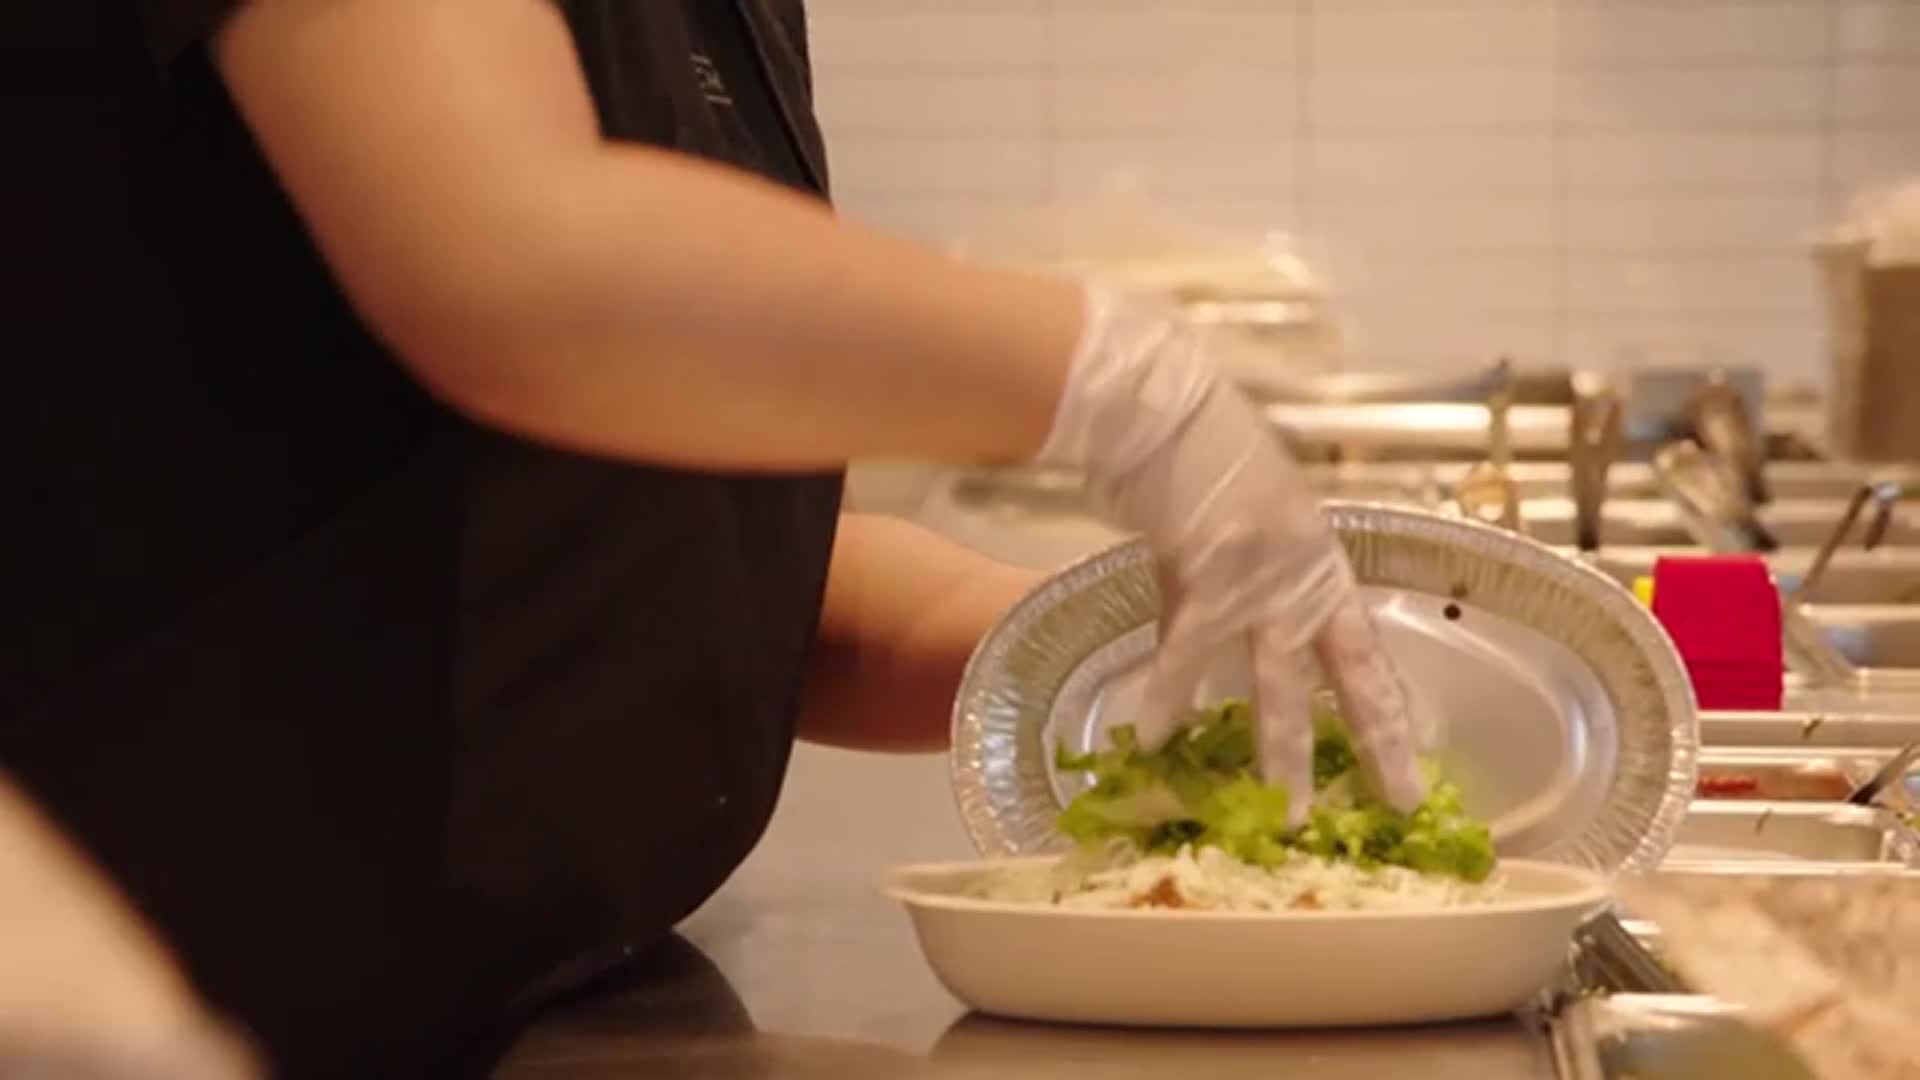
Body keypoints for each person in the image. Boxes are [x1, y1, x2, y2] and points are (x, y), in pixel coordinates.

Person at [1, 1, 1423, 1075]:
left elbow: (691, 550)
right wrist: (1125, 379)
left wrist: (1092, 654)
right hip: (144, 1007)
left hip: (519, 1005)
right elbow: (520, 270)